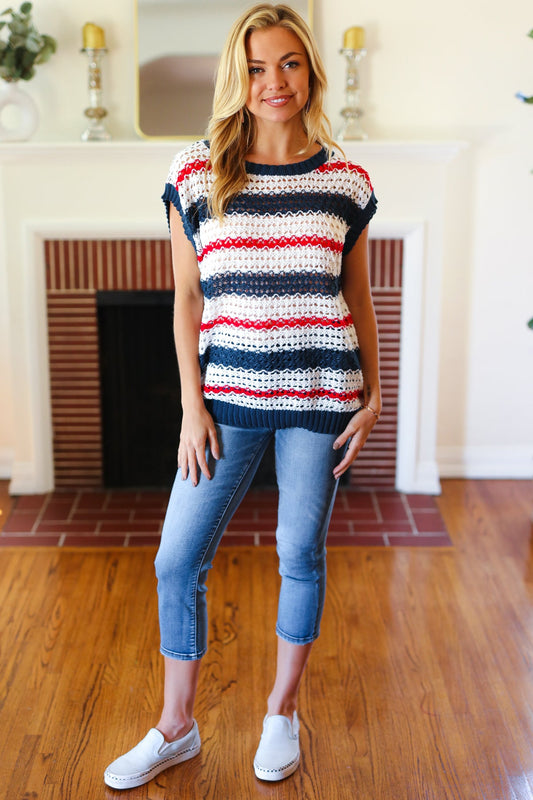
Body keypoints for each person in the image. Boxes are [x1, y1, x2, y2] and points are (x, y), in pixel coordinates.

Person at [104, 2, 380, 790]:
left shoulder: (346, 180)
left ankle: (281, 712)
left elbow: (355, 297)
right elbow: (186, 300)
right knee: (175, 559)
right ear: (237, 75)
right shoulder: (194, 172)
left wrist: (375, 389)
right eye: (256, 66)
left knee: (299, 552)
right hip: (224, 399)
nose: (273, 81)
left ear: (310, 71)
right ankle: (175, 727)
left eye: (288, 63)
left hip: (320, 395)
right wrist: (191, 407)